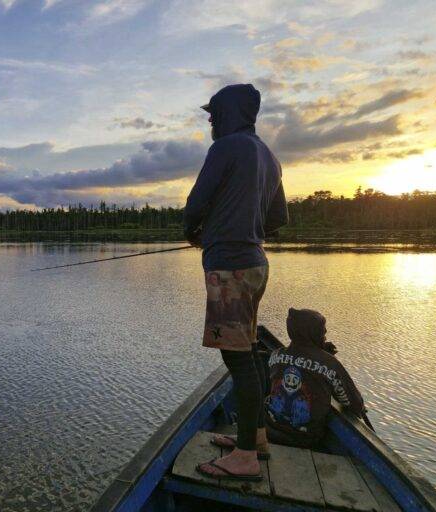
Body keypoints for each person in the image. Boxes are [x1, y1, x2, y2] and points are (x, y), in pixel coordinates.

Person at [185, 83, 288, 481]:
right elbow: (279, 219)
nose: (210, 121)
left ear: (230, 113)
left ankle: (245, 457)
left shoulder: (224, 148)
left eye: (214, 114)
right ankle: (256, 437)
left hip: (229, 267)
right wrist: (247, 228)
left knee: (237, 358)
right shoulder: (270, 156)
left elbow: (195, 204)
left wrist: (195, 233)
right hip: (256, 264)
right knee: (248, 351)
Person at [266, 308, 365, 448]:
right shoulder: (329, 363)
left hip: (270, 430)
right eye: (322, 330)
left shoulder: (275, 356)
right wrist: (359, 406)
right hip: (305, 439)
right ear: (312, 333)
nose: (325, 334)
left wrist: (320, 350)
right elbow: (353, 403)